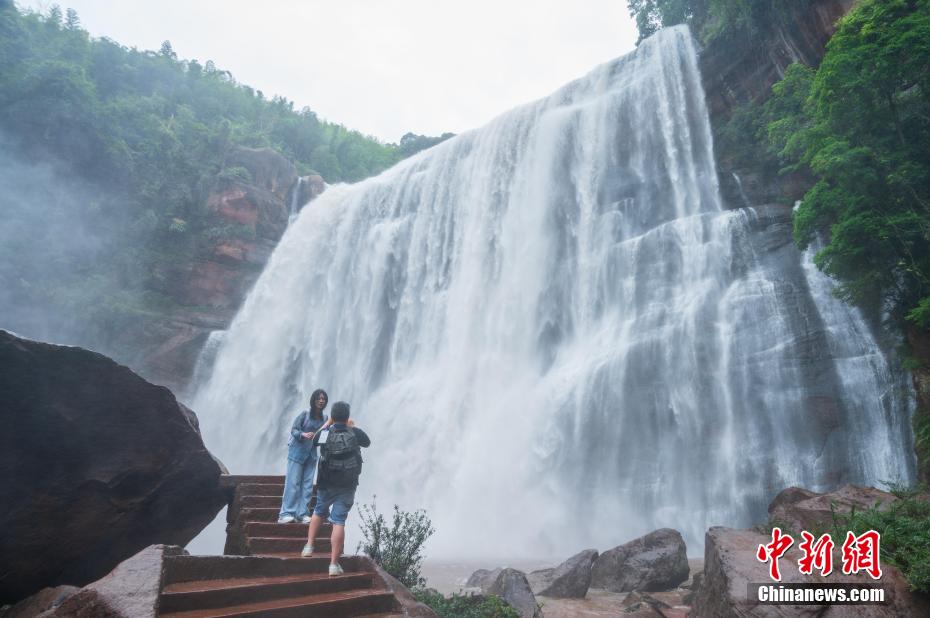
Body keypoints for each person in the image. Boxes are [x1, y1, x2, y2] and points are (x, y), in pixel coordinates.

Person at [301, 401, 370, 576]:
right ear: (347, 417)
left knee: (318, 511)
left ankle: (309, 546)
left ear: (332, 417)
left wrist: (327, 423)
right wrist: (352, 426)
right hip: (347, 485)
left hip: (326, 482)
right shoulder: (355, 432)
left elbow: (314, 440)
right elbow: (367, 442)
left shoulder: (325, 433)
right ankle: (333, 564)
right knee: (338, 521)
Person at [278, 389, 329, 524]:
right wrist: (303, 435)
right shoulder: (304, 414)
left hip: (311, 455)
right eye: (318, 398)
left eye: (323, 399)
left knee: (307, 485)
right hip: (297, 453)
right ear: (313, 400)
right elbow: (294, 430)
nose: (321, 400)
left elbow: (324, 435)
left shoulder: (325, 419)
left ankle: (302, 513)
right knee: (293, 483)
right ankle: (286, 513)